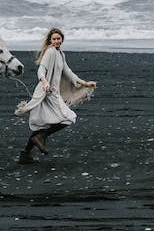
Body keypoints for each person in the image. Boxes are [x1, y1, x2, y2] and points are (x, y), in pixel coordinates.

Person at [14, 27, 97, 164]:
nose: (57, 41)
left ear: (62, 40)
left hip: (53, 93)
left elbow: (69, 73)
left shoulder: (60, 54)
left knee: (41, 126)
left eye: (59, 39)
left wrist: (86, 83)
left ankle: (26, 154)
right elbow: (41, 70)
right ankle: (42, 137)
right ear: (50, 40)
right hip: (46, 93)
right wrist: (45, 82)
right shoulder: (50, 52)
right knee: (70, 117)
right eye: (54, 39)